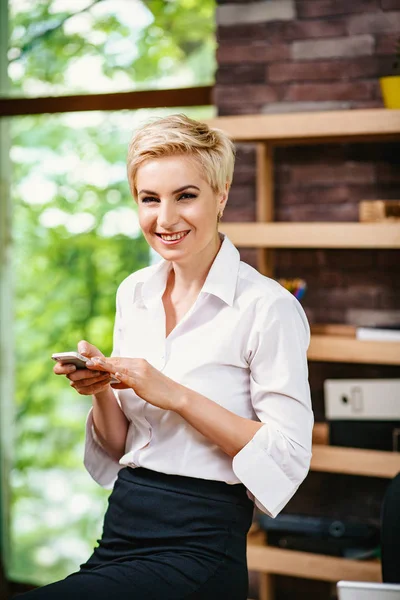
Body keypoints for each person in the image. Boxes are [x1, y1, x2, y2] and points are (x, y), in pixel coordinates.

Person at [17, 114, 314, 599]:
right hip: (123, 528)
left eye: (186, 196)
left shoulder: (268, 307)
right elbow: (120, 447)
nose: (165, 219)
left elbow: (287, 457)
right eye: (149, 199)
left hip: (199, 546)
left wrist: (175, 394)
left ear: (221, 194)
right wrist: (100, 392)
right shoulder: (133, 292)